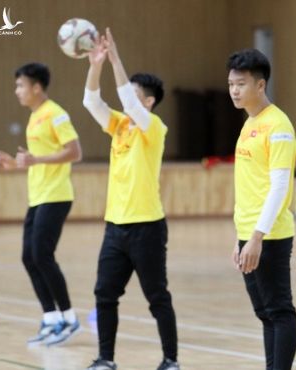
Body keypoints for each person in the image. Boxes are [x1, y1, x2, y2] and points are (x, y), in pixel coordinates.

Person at [82, 29, 179, 370]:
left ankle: (170, 360)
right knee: (105, 295)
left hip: (147, 227)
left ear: (148, 101)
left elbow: (127, 102)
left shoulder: (153, 127)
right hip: (115, 227)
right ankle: (105, 359)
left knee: (157, 297)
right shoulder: (119, 126)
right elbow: (91, 102)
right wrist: (96, 65)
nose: (128, 102)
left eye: (136, 97)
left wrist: (115, 59)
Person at [0, 62, 82, 346]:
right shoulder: (35, 117)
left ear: (36, 87)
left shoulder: (55, 114)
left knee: (42, 255)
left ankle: (69, 318)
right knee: (28, 257)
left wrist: (37, 160)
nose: (17, 91)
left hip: (56, 195)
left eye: (20, 85)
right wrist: (14, 163)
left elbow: (74, 152)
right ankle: (51, 318)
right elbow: (39, 159)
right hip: (39, 196)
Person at [227, 48, 296, 370]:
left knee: (279, 311)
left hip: (269, 234)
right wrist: (240, 237)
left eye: (241, 84)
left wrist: (257, 236)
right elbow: (251, 184)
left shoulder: (278, 124)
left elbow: (280, 186)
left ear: (260, 85)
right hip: (249, 232)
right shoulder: (250, 123)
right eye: (231, 84)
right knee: (265, 313)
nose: (235, 91)